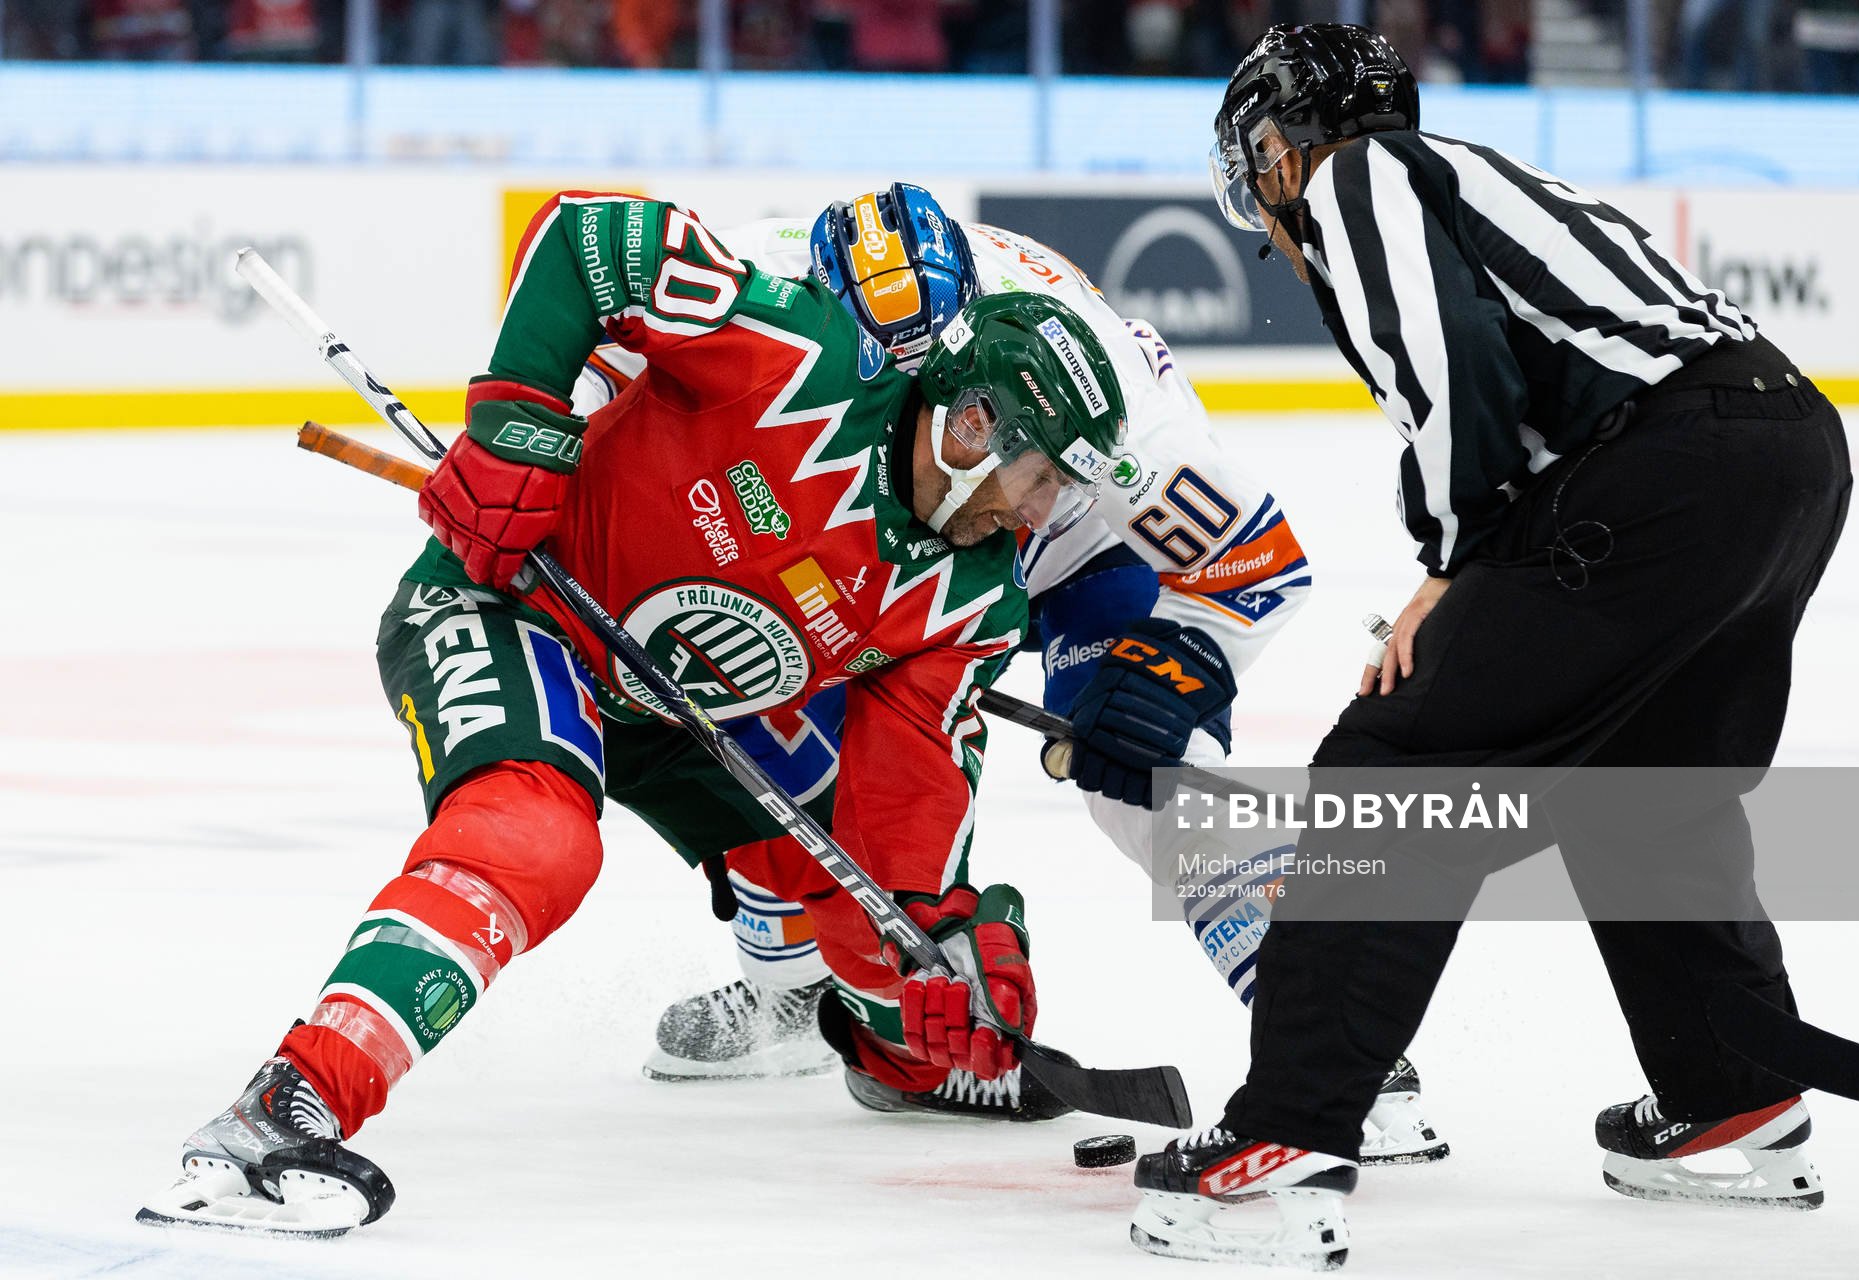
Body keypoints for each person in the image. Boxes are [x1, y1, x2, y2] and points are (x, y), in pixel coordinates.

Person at [137, 191, 1128, 1236]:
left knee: (885, 927)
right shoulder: (797, 352)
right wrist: (516, 425)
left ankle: (894, 1061)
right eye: (1040, 477)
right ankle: (285, 1108)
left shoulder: (972, 600)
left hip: (679, 709)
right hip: (517, 604)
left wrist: (944, 940)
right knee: (536, 837)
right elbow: (585, 237)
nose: (1037, 513)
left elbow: (907, 793)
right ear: (975, 424)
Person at [1128, 23, 1853, 1268]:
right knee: (1643, 788)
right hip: (1784, 456)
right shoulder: (1462, 172)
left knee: (1390, 770)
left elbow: (1453, 367)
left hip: (1674, 471)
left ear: (1279, 149)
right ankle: (1731, 1085)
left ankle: (1289, 1127)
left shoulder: (1361, 176)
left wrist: (1454, 562)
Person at [570, 183, 1444, 1161]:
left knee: (1154, 785)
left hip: (1074, 540)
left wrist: (1163, 679)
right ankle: (797, 980)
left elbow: (1256, 565)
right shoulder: (766, 273)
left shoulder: (1122, 427)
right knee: (754, 676)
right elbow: (602, 347)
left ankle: (1332, 1046)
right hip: (870, 540)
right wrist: (538, 440)